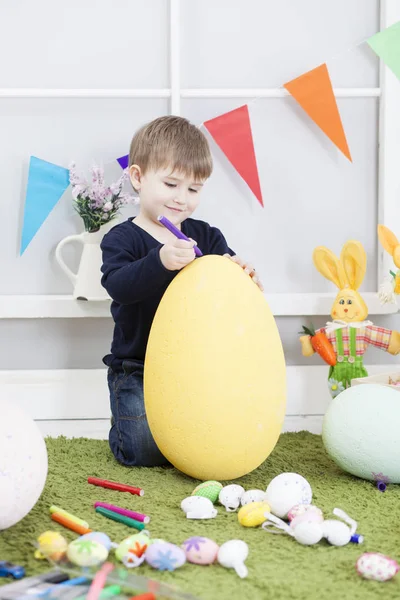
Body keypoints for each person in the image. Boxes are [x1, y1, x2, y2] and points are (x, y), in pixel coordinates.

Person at [101, 115, 263, 467]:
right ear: (139, 178)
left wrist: (244, 276)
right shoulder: (122, 238)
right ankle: (122, 431)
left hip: (200, 365)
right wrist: (159, 261)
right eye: (171, 184)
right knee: (144, 449)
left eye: (193, 189)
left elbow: (227, 282)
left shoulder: (206, 236)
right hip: (139, 366)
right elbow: (118, 286)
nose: (182, 199)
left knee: (214, 435)